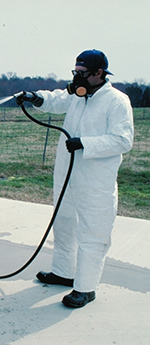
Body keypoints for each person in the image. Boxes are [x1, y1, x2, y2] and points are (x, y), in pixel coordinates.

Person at [17, 49, 134, 308]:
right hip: (67, 174)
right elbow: (57, 99)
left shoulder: (116, 101)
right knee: (64, 223)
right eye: (75, 72)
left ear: (99, 73)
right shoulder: (78, 96)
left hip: (95, 180)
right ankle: (63, 272)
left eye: (82, 73)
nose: (77, 78)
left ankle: (85, 287)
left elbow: (123, 140)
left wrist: (85, 144)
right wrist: (35, 97)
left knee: (93, 232)